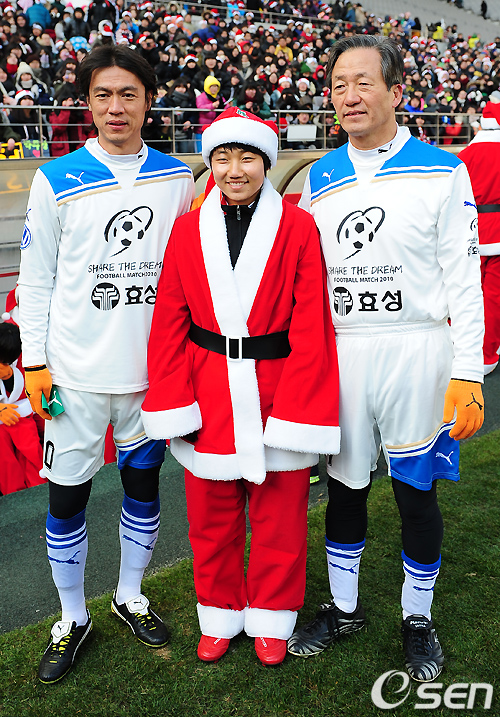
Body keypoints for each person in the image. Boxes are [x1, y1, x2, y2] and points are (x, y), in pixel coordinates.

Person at [288, 35, 484, 683]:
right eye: (339, 85)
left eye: (363, 82)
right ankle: (343, 608)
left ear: (396, 91)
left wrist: (468, 371)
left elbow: (465, 279)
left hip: (417, 349)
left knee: (414, 492)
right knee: (345, 488)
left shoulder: (442, 169)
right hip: (344, 352)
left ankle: (416, 617)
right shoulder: (319, 177)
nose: (349, 95)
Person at [17, 44, 194, 685]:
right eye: (103, 95)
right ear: (87, 102)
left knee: (144, 490)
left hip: (151, 379)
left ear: (149, 102)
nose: (115, 107)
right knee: (68, 497)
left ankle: (129, 595)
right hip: (74, 379)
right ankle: (72, 616)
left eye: (128, 95)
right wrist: (34, 363)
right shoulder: (55, 178)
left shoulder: (178, 179)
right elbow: (36, 281)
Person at [140, 107, 341, 667]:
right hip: (207, 390)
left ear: (266, 162)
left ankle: (273, 614)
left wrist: (299, 409)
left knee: (280, 516)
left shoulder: (298, 228)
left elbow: (311, 326)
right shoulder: (187, 231)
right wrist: (175, 399)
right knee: (211, 519)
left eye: (247, 157)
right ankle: (219, 611)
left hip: (278, 387)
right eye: (223, 157)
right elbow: (169, 321)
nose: (234, 169)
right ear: (210, 163)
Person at [458, 95, 500, 376]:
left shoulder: (466, 154)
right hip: (498, 231)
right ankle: (487, 354)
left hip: (470, 229)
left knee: (467, 292)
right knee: (495, 297)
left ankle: (462, 348)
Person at [0, 321, 45, 496]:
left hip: (22, 416)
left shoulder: (24, 360)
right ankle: (13, 495)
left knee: (32, 452)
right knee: (5, 461)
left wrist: (10, 377)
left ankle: (39, 489)